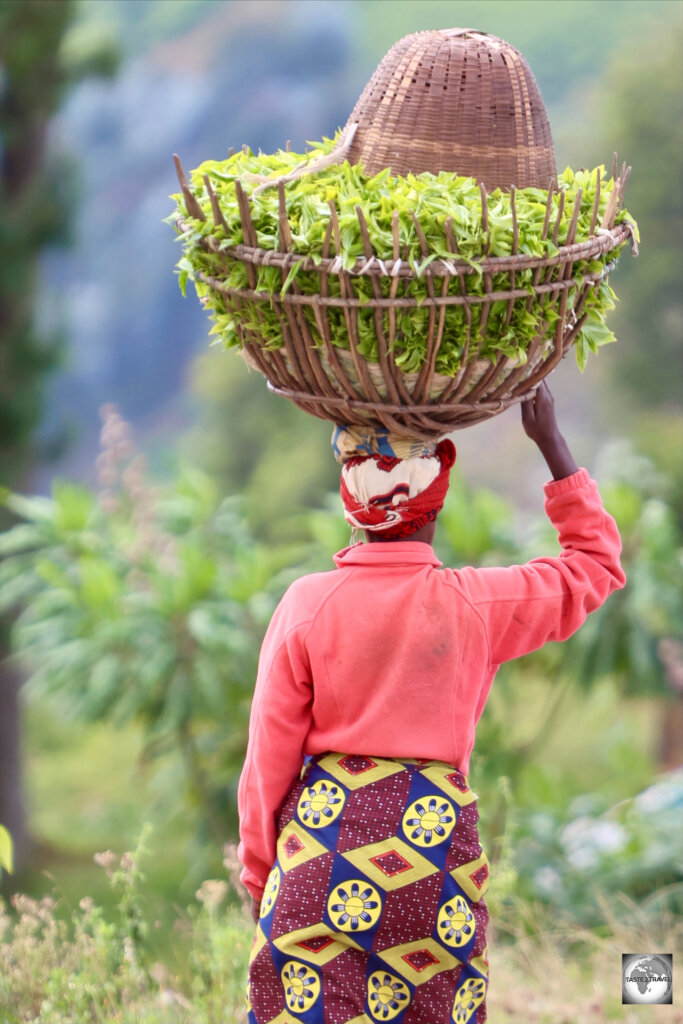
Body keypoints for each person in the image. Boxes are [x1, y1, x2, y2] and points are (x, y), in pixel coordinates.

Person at [238, 381, 625, 1024]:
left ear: (350, 506)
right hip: (432, 853)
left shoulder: (306, 605)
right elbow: (594, 565)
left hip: (320, 851)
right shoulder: (477, 603)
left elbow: (267, 761)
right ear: (438, 501)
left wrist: (261, 874)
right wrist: (551, 444)